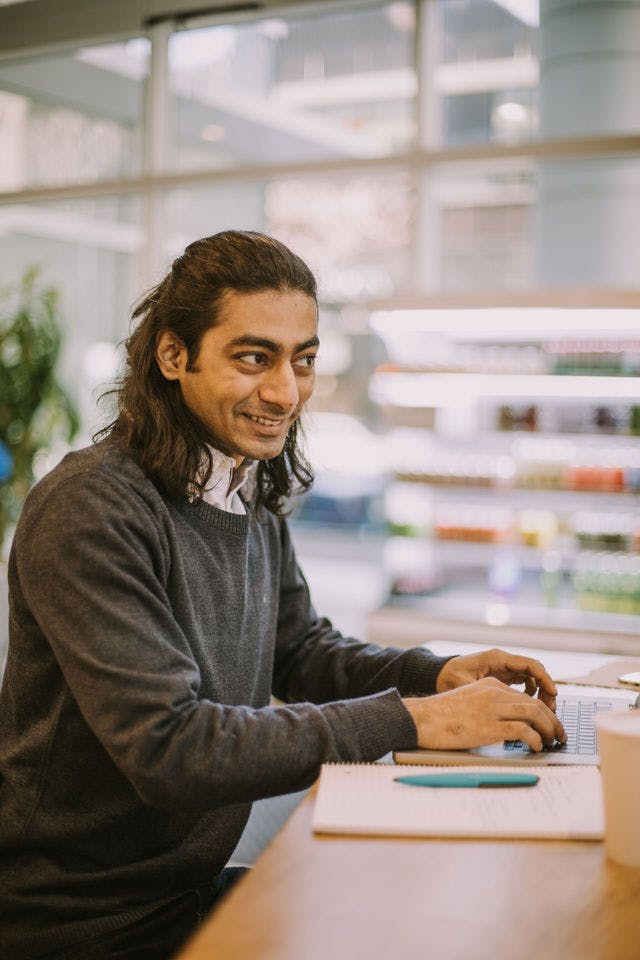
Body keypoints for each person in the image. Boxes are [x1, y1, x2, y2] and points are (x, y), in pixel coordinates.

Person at [0, 231, 565, 960]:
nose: (285, 392)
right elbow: (171, 750)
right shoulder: (91, 508)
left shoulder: (245, 487)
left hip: (179, 888)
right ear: (174, 356)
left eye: (303, 361)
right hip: (78, 923)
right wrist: (416, 719)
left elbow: (298, 650)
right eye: (253, 357)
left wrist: (434, 676)